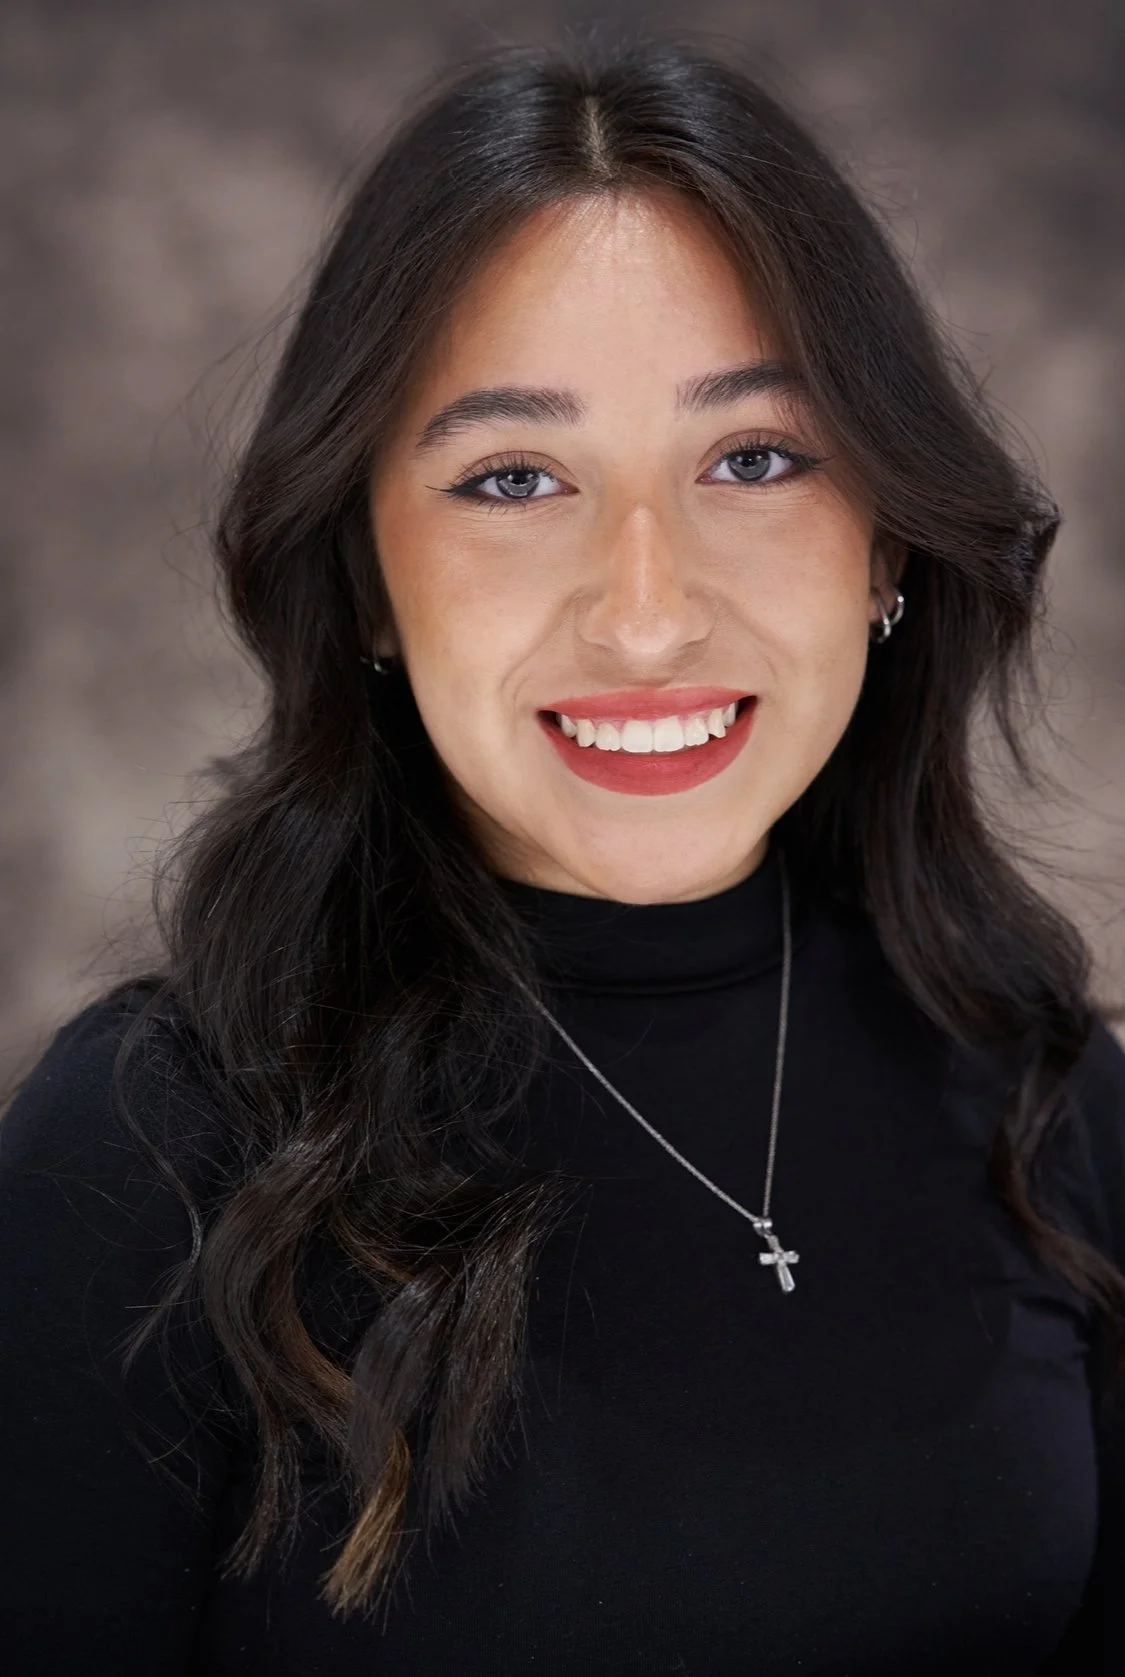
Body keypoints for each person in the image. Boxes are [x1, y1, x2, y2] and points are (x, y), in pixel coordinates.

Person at [1, 33, 1123, 1677]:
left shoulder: (1051, 1104)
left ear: (886, 541)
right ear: (369, 581)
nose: (648, 615)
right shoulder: (150, 1153)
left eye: (755, 459)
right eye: (514, 478)